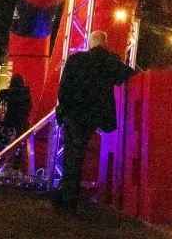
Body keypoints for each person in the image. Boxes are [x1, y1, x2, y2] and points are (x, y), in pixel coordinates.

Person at [53, 30, 133, 214]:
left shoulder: (75, 60)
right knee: (78, 156)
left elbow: (64, 88)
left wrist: (63, 110)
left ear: (90, 43)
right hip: (92, 115)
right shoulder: (109, 62)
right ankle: (68, 199)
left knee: (71, 156)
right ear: (104, 43)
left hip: (72, 113)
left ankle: (66, 198)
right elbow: (128, 75)